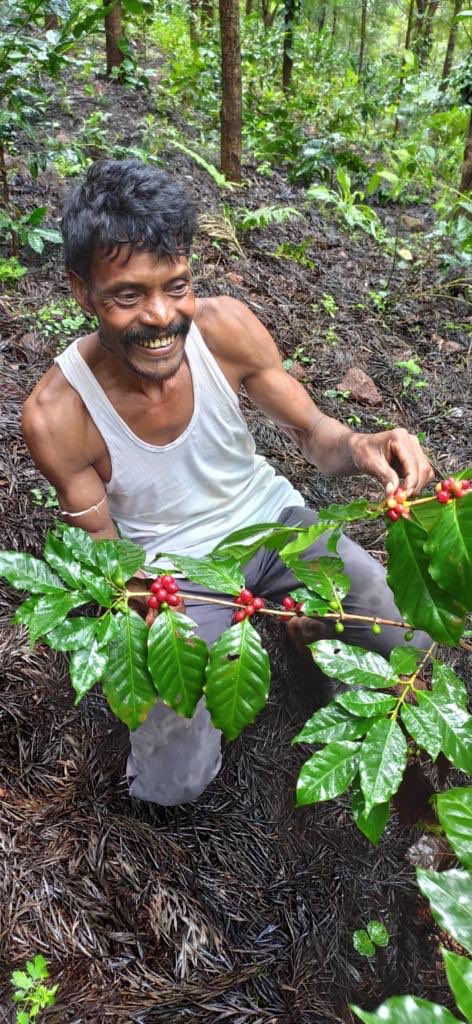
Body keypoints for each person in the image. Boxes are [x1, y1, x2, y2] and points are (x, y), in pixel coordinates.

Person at [22, 159, 433, 806]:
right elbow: (106, 559)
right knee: (170, 784)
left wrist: (363, 445)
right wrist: (172, 637)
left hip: (271, 524)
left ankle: (318, 658)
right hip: (170, 571)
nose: (161, 317)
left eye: (176, 285)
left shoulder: (226, 330)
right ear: (82, 290)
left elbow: (313, 437)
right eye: (128, 295)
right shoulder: (59, 414)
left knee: (395, 623)